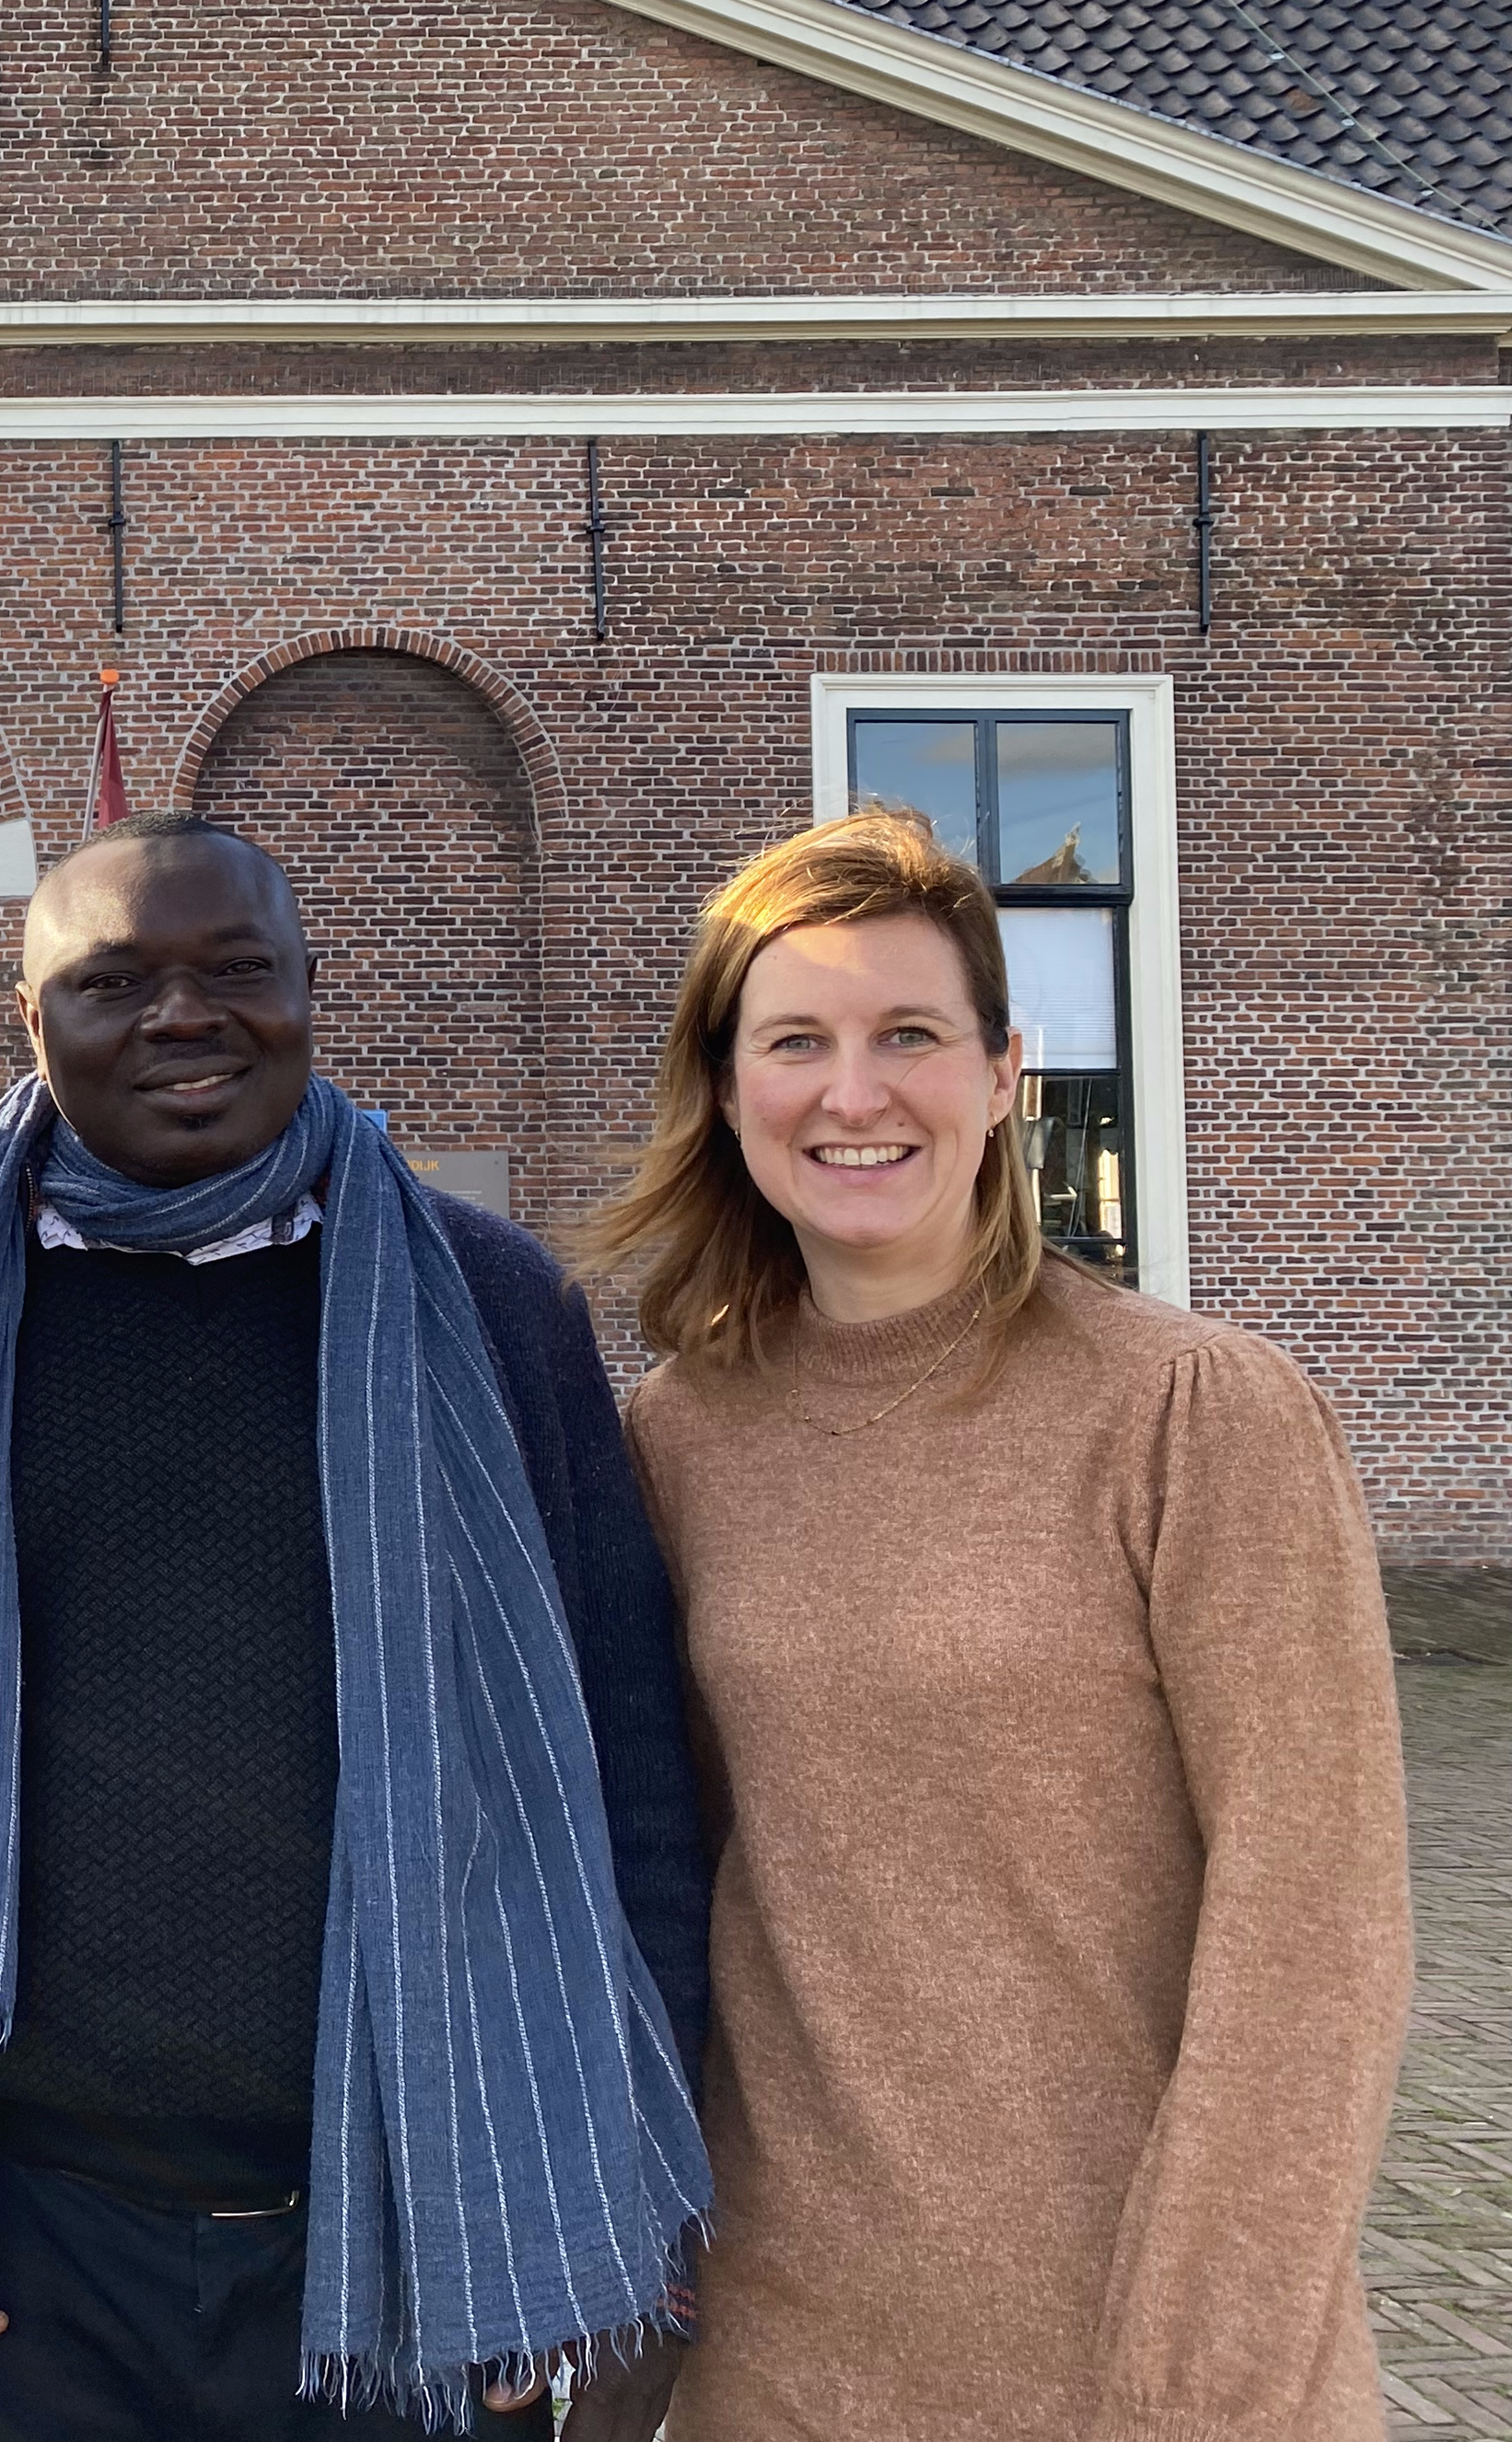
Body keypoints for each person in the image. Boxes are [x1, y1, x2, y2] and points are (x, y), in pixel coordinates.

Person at [0, 812, 712, 2442]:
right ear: (28, 1028)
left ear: (312, 993)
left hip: (429, 2206)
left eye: (236, 971)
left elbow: (627, 1778)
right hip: (23, 2243)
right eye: (115, 983)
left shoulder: (493, 1306)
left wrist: (644, 2248)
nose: (185, 1018)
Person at [583, 808, 1412, 2442]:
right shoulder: (674, 1441)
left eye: (910, 1035)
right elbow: (670, 1881)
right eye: (796, 1041)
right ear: (728, 1088)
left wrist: (1207, 2365)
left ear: (1006, 1070)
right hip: (779, 2354)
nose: (854, 1091)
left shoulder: (1197, 1417)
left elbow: (1314, 1931)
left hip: (1132, 2359)